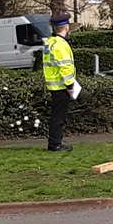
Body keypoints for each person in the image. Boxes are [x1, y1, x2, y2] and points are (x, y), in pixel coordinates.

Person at [42, 13, 77, 151]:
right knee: (59, 117)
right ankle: (55, 144)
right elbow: (65, 68)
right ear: (66, 27)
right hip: (61, 86)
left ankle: (55, 142)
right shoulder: (61, 45)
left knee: (56, 116)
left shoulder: (50, 43)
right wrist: (70, 86)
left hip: (53, 85)